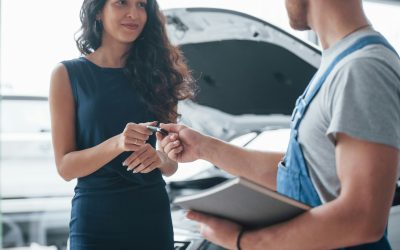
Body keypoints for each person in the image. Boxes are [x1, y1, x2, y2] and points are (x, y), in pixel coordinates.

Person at [159, 0, 400, 249]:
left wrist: (244, 242)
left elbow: (362, 218)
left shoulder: (361, 67)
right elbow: (301, 176)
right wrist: (203, 148)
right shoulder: (340, 64)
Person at [49, 0, 196, 249]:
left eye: (141, 5)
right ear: (98, 12)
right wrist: (117, 143)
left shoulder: (159, 75)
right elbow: (65, 167)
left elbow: (171, 163)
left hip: (152, 218)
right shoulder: (67, 74)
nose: (133, 13)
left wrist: (160, 159)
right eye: (121, 3)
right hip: (95, 220)